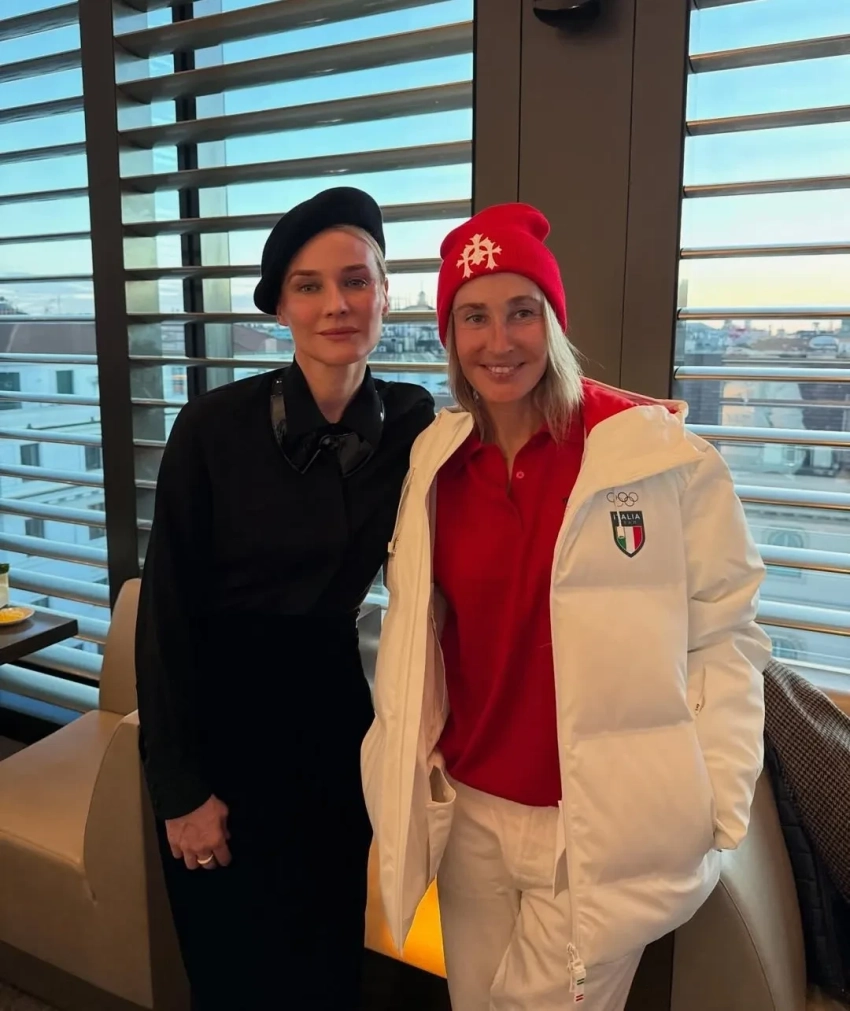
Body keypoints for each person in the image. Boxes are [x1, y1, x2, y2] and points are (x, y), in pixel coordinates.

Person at [361, 202, 770, 1010]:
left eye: (521, 310)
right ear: (450, 335)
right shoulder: (438, 462)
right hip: (471, 812)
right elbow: (418, 632)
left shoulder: (656, 458)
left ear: (553, 319)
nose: (499, 340)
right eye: (473, 316)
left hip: (595, 822)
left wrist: (714, 800)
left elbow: (725, 628)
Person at [135, 186, 434, 1010]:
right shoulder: (212, 427)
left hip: (335, 718)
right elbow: (165, 615)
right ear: (280, 308)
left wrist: (631, 423)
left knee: (330, 954)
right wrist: (180, 789)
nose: (336, 303)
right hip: (221, 721)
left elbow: (521, 416)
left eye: (355, 280)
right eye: (309, 285)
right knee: (233, 969)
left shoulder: (413, 422)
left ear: (384, 293)